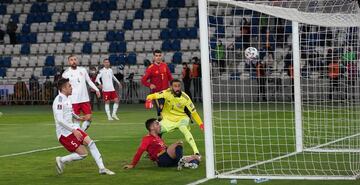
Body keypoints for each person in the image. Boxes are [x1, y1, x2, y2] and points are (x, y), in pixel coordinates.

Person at [53, 78, 115, 175]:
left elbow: (70, 112)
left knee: (91, 143)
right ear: (63, 89)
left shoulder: (67, 98)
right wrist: (73, 131)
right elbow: (60, 120)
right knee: (84, 154)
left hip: (73, 128)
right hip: (64, 133)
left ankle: (102, 168)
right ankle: (61, 160)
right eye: (69, 86)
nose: (71, 87)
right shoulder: (59, 100)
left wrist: (80, 118)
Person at [145, 79, 204, 155]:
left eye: (179, 86)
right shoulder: (166, 93)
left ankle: (196, 152)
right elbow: (151, 96)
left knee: (184, 128)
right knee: (155, 130)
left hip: (182, 118)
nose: (177, 88)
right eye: (175, 86)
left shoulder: (185, 98)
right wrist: (148, 100)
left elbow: (194, 113)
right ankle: (152, 151)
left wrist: (201, 125)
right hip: (169, 119)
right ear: (171, 87)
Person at [123, 118, 200, 169]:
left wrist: (169, 148)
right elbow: (139, 151)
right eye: (157, 124)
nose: (160, 126)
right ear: (152, 127)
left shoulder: (158, 138)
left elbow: (165, 148)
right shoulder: (147, 138)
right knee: (179, 143)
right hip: (161, 159)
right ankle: (181, 162)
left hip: (167, 159)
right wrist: (132, 164)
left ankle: (182, 163)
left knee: (197, 158)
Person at [62, 55, 100, 131]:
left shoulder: (83, 70)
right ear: (69, 62)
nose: (73, 61)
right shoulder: (65, 74)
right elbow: (64, 87)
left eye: (75, 59)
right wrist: (63, 98)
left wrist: (97, 89)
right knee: (76, 121)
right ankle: (79, 137)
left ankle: (81, 133)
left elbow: (89, 81)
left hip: (84, 99)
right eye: (71, 60)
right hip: (73, 100)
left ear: (77, 61)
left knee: (89, 118)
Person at [141, 49, 173, 118]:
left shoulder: (165, 66)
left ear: (161, 56)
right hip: (157, 94)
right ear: (153, 57)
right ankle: (162, 126)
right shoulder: (150, 68)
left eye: (159, 55)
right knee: (161, 111)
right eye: (156, 56)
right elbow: (143, 80)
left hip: (167, 93)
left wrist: (173, 86)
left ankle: (164, 125)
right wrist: (150, 85)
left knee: (168, 111)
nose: (158, 57)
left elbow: (170, 77)